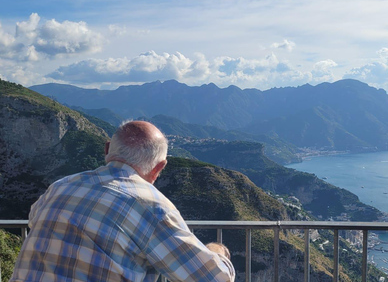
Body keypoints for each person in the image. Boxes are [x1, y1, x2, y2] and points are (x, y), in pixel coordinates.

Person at [10, 121, 235, 282]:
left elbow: (33, 219)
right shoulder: (152, 206)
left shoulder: (60, 186)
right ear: (159, 167)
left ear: (107, 149)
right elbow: (215, 278)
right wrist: (216, 251)